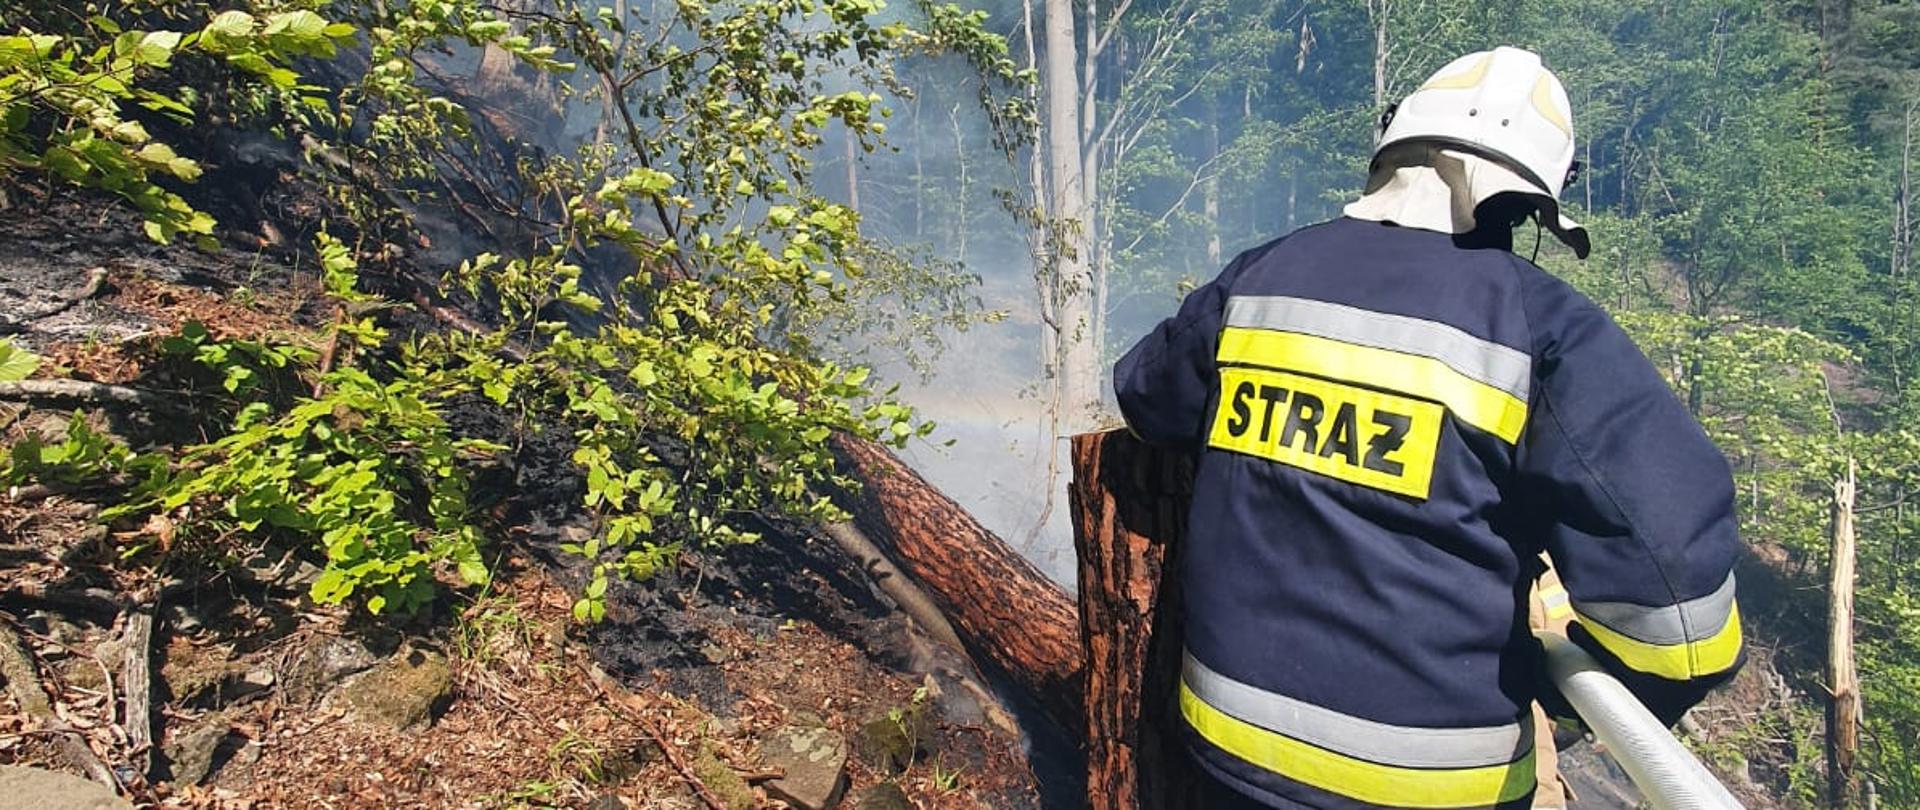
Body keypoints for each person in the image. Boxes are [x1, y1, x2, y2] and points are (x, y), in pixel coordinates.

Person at [1113, 46, 1744, 809]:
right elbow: (1683, 631)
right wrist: (1570, 687)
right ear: (1532, 205)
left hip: (1227, 754)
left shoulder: (1260, 278)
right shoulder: (1546, 331)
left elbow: (1147, 398)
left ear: (1392, 146)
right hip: (1436, 787)